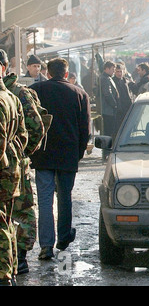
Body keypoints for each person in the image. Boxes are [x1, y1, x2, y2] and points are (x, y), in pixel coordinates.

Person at [29, 58, 91, 260]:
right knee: (65, 197)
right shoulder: (79, 93)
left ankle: (46, 245)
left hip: (43, 154)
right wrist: (78, 153)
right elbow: (85, 129)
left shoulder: (36, 90)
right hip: (68, 154)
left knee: (45, 200)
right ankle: (63, 238)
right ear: (66, 74)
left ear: (48, 73)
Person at [2, 49, 50, 275]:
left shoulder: (19, 93)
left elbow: (36, 129)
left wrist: (20, 154)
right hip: (13, 160)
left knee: (21, 213)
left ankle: (19, 257)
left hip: (14, 165)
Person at [0, 71, 28, 286]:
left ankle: (4, 275)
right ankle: (12, 270)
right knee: (7, 222)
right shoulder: (11, 97)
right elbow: (25, 134)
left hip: (2, 170)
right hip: (11, 169)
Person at [98, 61, 119, 145]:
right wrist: (114, 104)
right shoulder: (104, 78)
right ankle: (106, 149)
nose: (113, 71)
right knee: (108, 131)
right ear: (107, 69)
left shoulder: (107, 78)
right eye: (112, 69)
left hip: (108, 109)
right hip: (108, 109)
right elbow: (107, 93)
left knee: (109, 130)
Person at [113, 63, 133, 133]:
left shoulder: (125, 81)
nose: (119, 73)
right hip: (118, 109)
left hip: (126, 107)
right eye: (117, 71)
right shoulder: (113, 81)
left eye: (120, 71)